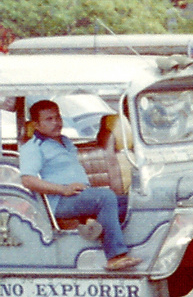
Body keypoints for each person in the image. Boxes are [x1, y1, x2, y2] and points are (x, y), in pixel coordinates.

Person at [18, 99, 140, 270]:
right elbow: (27, 180)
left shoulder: (65, 141)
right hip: (58, 202)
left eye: (57, 117)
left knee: (133, 202)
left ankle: (92, 223)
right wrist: (64, 189)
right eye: (49, 119)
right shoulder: (33, 147)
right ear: (36, 125)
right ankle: (115, 256)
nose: (56, 123)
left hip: (79, 196)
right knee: (105, 197)